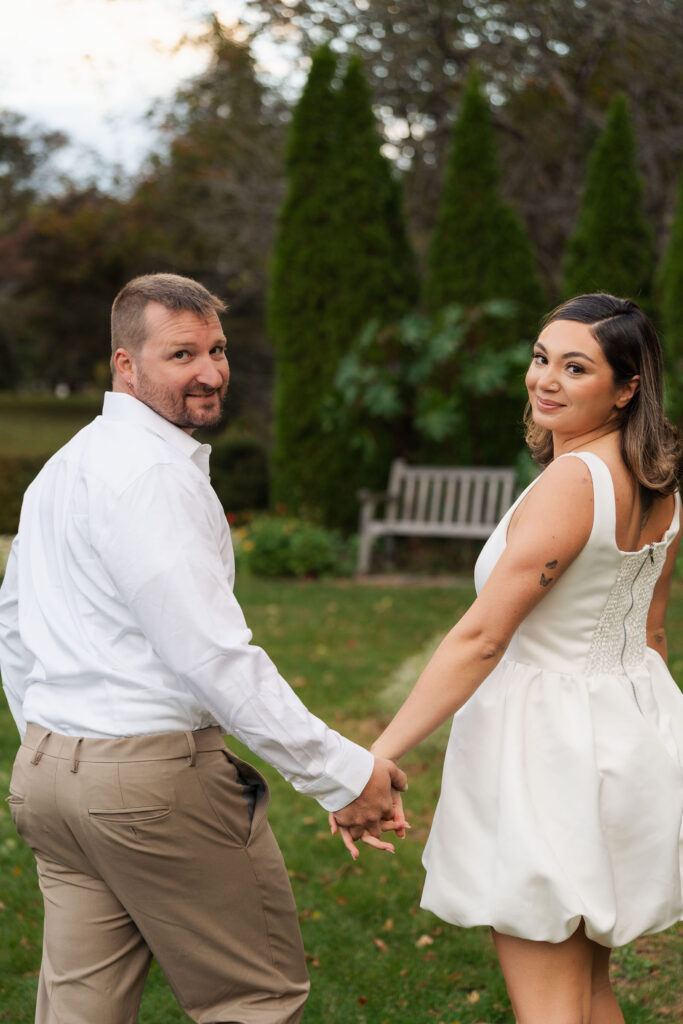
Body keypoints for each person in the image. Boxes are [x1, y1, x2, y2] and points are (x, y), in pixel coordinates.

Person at [0, 272, 407, 1024]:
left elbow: (15, 625)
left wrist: (53, 743)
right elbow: (212, 657)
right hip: (147, 785)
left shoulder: (65, 466)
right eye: (182, 354)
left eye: (217, 349)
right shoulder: (151, 474)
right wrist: (342, 774)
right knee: (253, 1001)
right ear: (125, 365)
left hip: (49, 780)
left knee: (79, 1011)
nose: (211, 372)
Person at [335, 294, 683, 1022]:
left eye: (575, 367)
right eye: (539, 358)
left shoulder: (573, 480)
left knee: (550, 1004)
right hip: (629, 730)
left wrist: (376, 757)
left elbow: (482, 637)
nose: (545, 379)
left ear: (625, 389)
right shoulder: (659, 484)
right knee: (588, 990)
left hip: (549, 753)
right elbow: (651, 635)